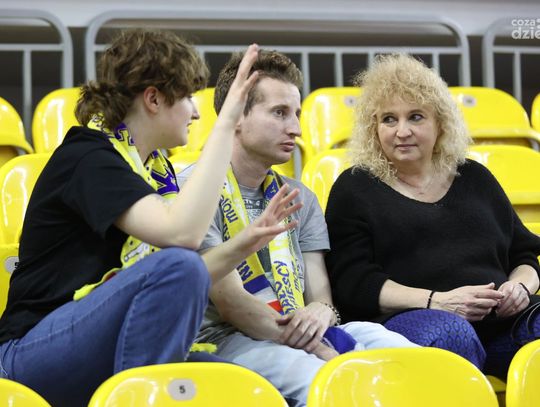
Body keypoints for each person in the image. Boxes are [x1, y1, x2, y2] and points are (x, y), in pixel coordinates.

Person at [0, 30, 300, 406]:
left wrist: (245, 243)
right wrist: (226, 123)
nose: (196, 112)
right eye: (188, 97)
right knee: (180, 265)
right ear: (153, 98)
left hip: (93, 343)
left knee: (239, 386)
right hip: (29, 354)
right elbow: (181, 239)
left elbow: (188, 277)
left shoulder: (155, 170)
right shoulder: (88, 157)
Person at [178, 49, 416, 407]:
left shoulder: (300, 196)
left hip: (302, 331)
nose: (296, 129)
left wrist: (323, 313)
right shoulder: (194, 192)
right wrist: (323, 350)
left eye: (297, 114)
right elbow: (233, 306)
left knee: (406, 357)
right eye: (279, 113)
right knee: (326, 382)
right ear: (236, 116)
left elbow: (319, 295)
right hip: (225, 339)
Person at [325, 53, 540, 378]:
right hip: (410, 319)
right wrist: (437, 301)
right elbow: (354, 284)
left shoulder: (475, 177)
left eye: (415, 117)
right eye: (389, 119)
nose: (402, 131)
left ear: (440, 124)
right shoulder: (354, 188)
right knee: (452, 334)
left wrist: (520, 288)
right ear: (373, 127)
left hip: (501, 323)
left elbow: (524, 254)